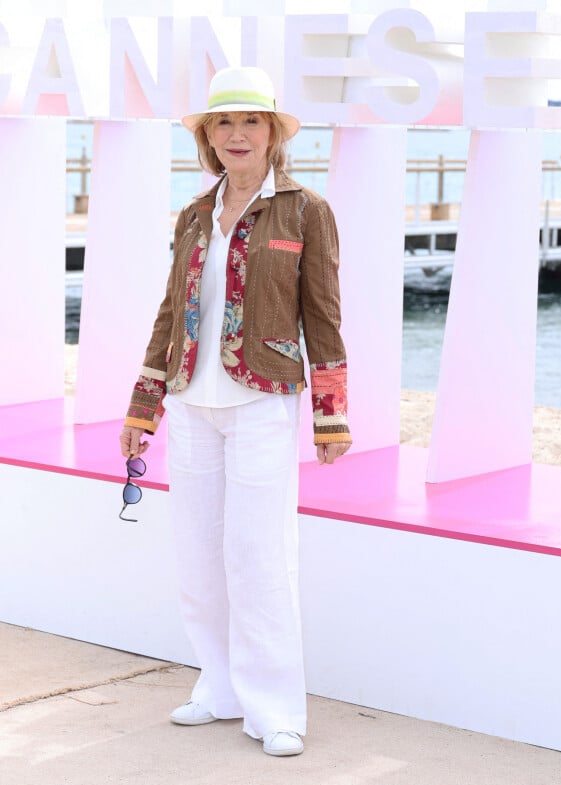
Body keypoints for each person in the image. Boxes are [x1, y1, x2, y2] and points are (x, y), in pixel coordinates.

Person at [119, 66, 352, 757]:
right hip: (192, 403)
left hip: (262, 402)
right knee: (198, 556)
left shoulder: (306, 210)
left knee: (259, 557)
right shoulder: (194, 213)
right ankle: (217, 686)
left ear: (274, 133)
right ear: (209, 137)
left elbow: (325, 316)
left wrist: (331, 412)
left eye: (252, 121)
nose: (237, 134)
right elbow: (169, 316)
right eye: (224, 123)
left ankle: (276, 706)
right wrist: (144, 409)